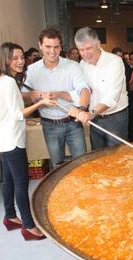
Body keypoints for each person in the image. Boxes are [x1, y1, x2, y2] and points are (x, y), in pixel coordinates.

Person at [0, 42, 55, 240]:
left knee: (8, 179)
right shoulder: (8, 82)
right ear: (5, 59)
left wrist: (31, 95)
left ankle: (9, 216)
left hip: (0, 138)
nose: (20, 61)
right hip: (11, 139)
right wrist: (42, 102)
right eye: (14, 58)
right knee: (21, 182)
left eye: (21, 57)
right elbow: (18, 114)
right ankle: (28, 226)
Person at [22, 28, 89, 167]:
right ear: (40, 45)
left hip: (73, 123)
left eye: (56, 47)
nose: (52, 52)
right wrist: (39, 95)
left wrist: (82, 109)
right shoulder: (32, 70)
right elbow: (24, 95)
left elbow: (84, 89)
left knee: (81, 163)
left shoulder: (72, 66)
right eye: (48, 47)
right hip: (49, 125)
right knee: (57, 165)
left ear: (61, 46)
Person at [72, 27, 128, 149]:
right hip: (95, 118)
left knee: (117, 155)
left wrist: (91, 113)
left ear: (98, 44)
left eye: (89, 48)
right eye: (81, 50)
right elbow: (81, 90)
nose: (85, 54)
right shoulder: (82, 64)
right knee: (97, 154)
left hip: (115, 117)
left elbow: (113, 94)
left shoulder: (115, 61)